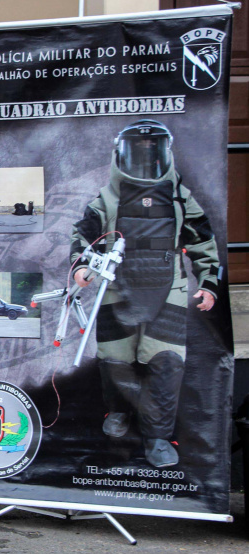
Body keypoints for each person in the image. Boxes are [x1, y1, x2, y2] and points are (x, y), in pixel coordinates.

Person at [70, 119, 219, 468]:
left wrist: (209, 283)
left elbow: (203, 241)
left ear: (165, 152)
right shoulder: (107, 198)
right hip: (115, 289)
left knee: (166, 364)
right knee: (115, 361)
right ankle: (119, 410)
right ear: (120, 154)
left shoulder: (181, 197)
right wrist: (81, 267)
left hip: (169, 291)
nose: (145, 157)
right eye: (137, 150)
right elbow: (84, 237)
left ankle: (157, 438)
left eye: (153, 151)